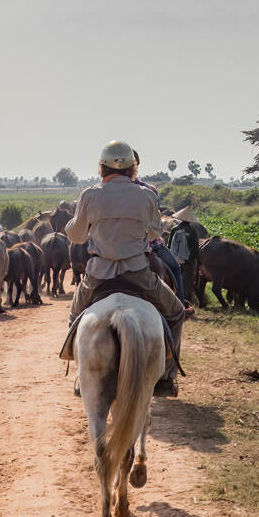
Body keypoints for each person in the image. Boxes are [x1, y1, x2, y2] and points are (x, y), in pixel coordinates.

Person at [65, 140, 189, 395]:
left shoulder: (89, 195)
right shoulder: (146, 195)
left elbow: (76, 236)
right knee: (176, 312)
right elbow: (156, 230)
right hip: (139, 273)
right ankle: (166, 377)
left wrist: (75, 225)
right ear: (133, 169)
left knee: (75, 315)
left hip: (98, 275)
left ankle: (80, 372)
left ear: (101, 168)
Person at [127, 151, 186, 303]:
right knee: (175, 268)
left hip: (114, 246)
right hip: (150, 245)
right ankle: (181, 306)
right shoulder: (149, 190)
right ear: (136, 165)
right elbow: (155, 222)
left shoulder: (105, 191)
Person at [167, 206, 201, 306]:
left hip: (175, 260)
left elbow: (169, 246)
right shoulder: (192, 231)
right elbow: (195, 248)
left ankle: (172, 301)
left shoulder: (174, 229)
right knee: (188, 284)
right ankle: (186, 304)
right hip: (188, 262)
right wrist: (191, 260)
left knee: (173, 280)